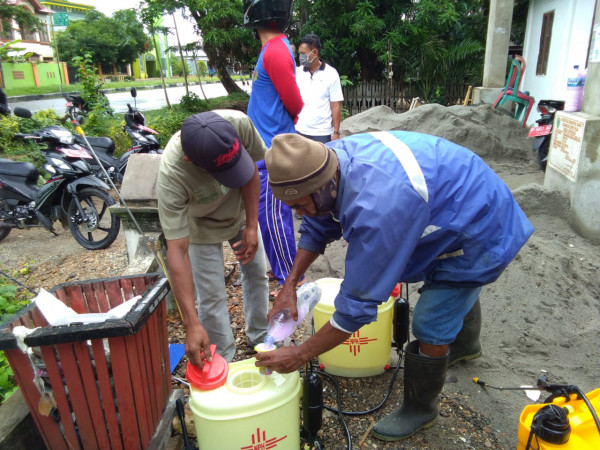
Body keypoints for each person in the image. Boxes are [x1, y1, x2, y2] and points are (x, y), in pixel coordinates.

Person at [256, 131, 534, 441]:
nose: (298, 213)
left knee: (434, 312)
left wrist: (300, 354)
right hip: (446, 194)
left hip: (480, 219)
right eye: (291, 207)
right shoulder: (320, 162)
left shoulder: (377, 207)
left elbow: (355, 309)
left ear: (325, 184)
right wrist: (289, 286)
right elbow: (319, 221)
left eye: (300, 204)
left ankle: (421, 409)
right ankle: (465, 345)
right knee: (447, 279)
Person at [156, 110, 269, 367]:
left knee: (257, 273)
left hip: (240, 212)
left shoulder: (238, 123)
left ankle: (261, 337)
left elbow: (250, 172)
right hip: (200, 225)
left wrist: (252, 224)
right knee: (211, 295)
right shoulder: (173, 175)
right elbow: (177, 251)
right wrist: (191, 323)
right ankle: (223, 359)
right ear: (189, 159)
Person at [243, 0, 304, 296]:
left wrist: (280, 133)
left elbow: (295, 102)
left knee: (272, 217)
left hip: (270, 150)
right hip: (264, 145)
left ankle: (290, 282)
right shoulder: (274, 48)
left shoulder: (277, 50)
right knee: (268, 216)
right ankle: (282, 269)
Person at [295, 34, 344, 143]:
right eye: (300, 53)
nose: (300, 57)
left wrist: (336, 133)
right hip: (299, 131)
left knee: (322, 160)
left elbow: (335, 105)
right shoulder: (297, 73)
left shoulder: (331, 74)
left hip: (321, 134)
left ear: (315, 53)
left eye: (303, 53)